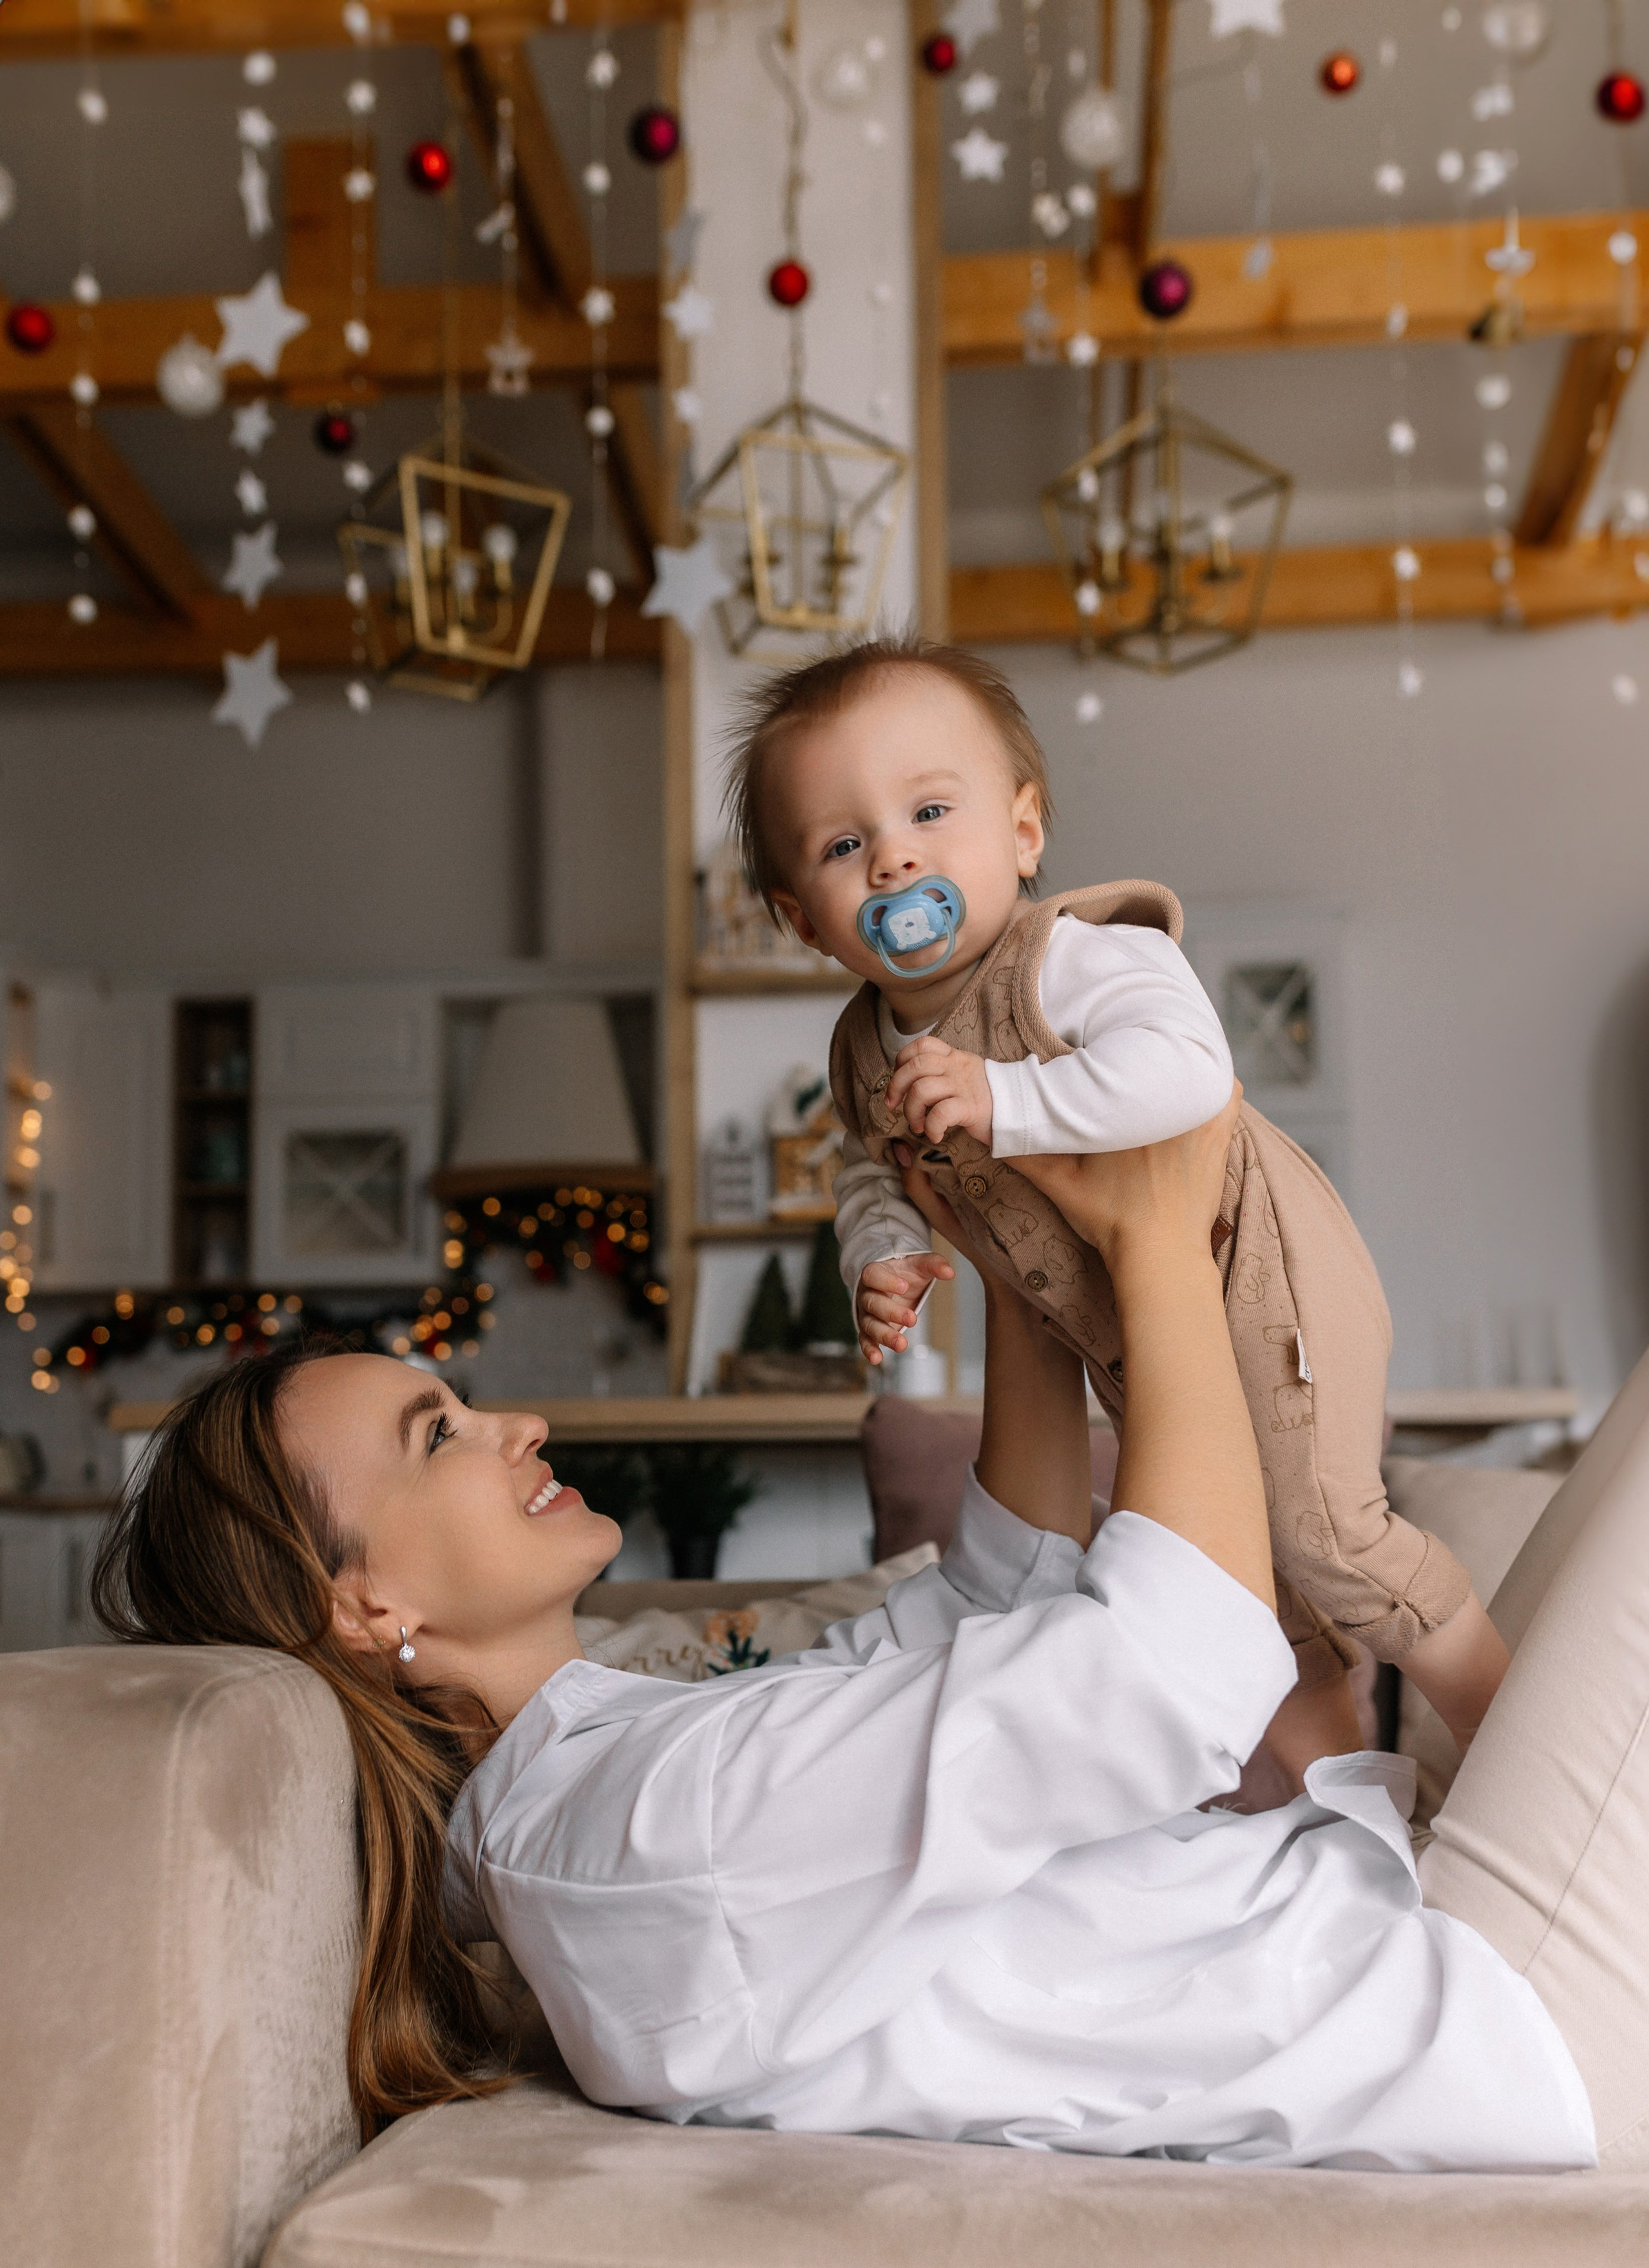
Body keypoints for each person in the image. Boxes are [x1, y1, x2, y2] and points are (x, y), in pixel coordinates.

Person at [95, 1095, 1638, 2173]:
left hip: (1413, 1926)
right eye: (437, 1433)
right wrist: (1156, 1246)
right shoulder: (635, 1835)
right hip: (1471, 2004)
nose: (518, 1424)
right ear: (367, 1606)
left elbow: (990, 1607)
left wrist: (1013, 1275)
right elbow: (1170, 1672)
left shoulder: (619, 1750)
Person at [723, 635, 1507, 1791]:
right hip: (1134, 1332)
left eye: (930, 811)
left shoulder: (1073, 959)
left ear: (1023, 832)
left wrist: (1004, 1097)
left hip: (1259, 1269)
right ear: (804, 919)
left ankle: (1520, 1757)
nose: (895, 856)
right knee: (1245, 1588)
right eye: (846, 844)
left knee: (1326, 1536)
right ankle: (1349, 1821)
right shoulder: (860, 1054)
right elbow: (872, 1170)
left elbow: (1189, 1073)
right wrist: (880, 1254)